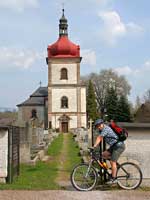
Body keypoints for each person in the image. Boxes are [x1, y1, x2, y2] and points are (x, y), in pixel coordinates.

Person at [93, 118, 125, 184]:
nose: (98, 127)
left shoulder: (106, 129)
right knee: (102, 155)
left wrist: (94, 146)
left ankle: (114, 179)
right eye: (97, 126)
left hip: (119, 146)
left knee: (112, 162)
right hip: (113, 146)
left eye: (99, 125)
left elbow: (99, 138)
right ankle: (111, 168)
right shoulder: (103, 129)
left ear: (102, 124)